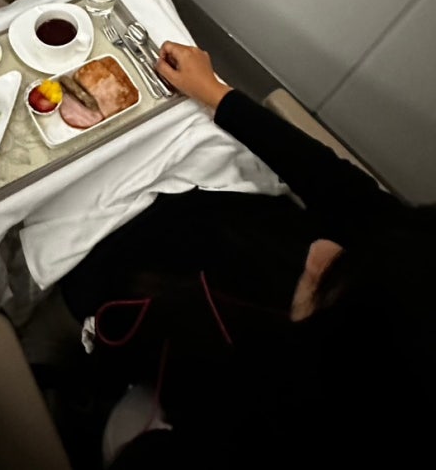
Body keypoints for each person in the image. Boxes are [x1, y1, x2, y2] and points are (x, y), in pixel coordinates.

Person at [59, 42, 436, 466]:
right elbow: (348, 193)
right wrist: (215, 92)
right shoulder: (410, 264)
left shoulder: (252, 417)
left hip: (160, 314)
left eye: (329, 282)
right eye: (351, 252)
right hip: (222, 230)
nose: (320, 250)